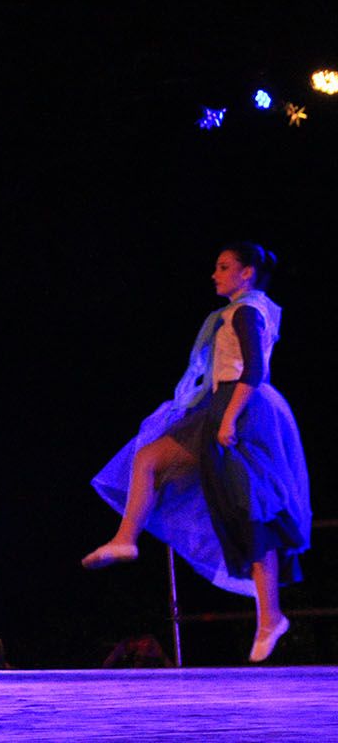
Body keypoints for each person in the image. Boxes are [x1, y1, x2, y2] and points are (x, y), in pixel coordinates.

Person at [83, 243, 311, 662]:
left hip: (242, 410)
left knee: (251, 512)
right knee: (149, 459)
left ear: (247, 272)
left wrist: (229, 419)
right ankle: (126, 539)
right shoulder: (237, 311)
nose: (214, 274)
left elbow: (254, 371)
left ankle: (270, 617)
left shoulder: (247, 310)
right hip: (220, 405)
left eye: (224, 267)